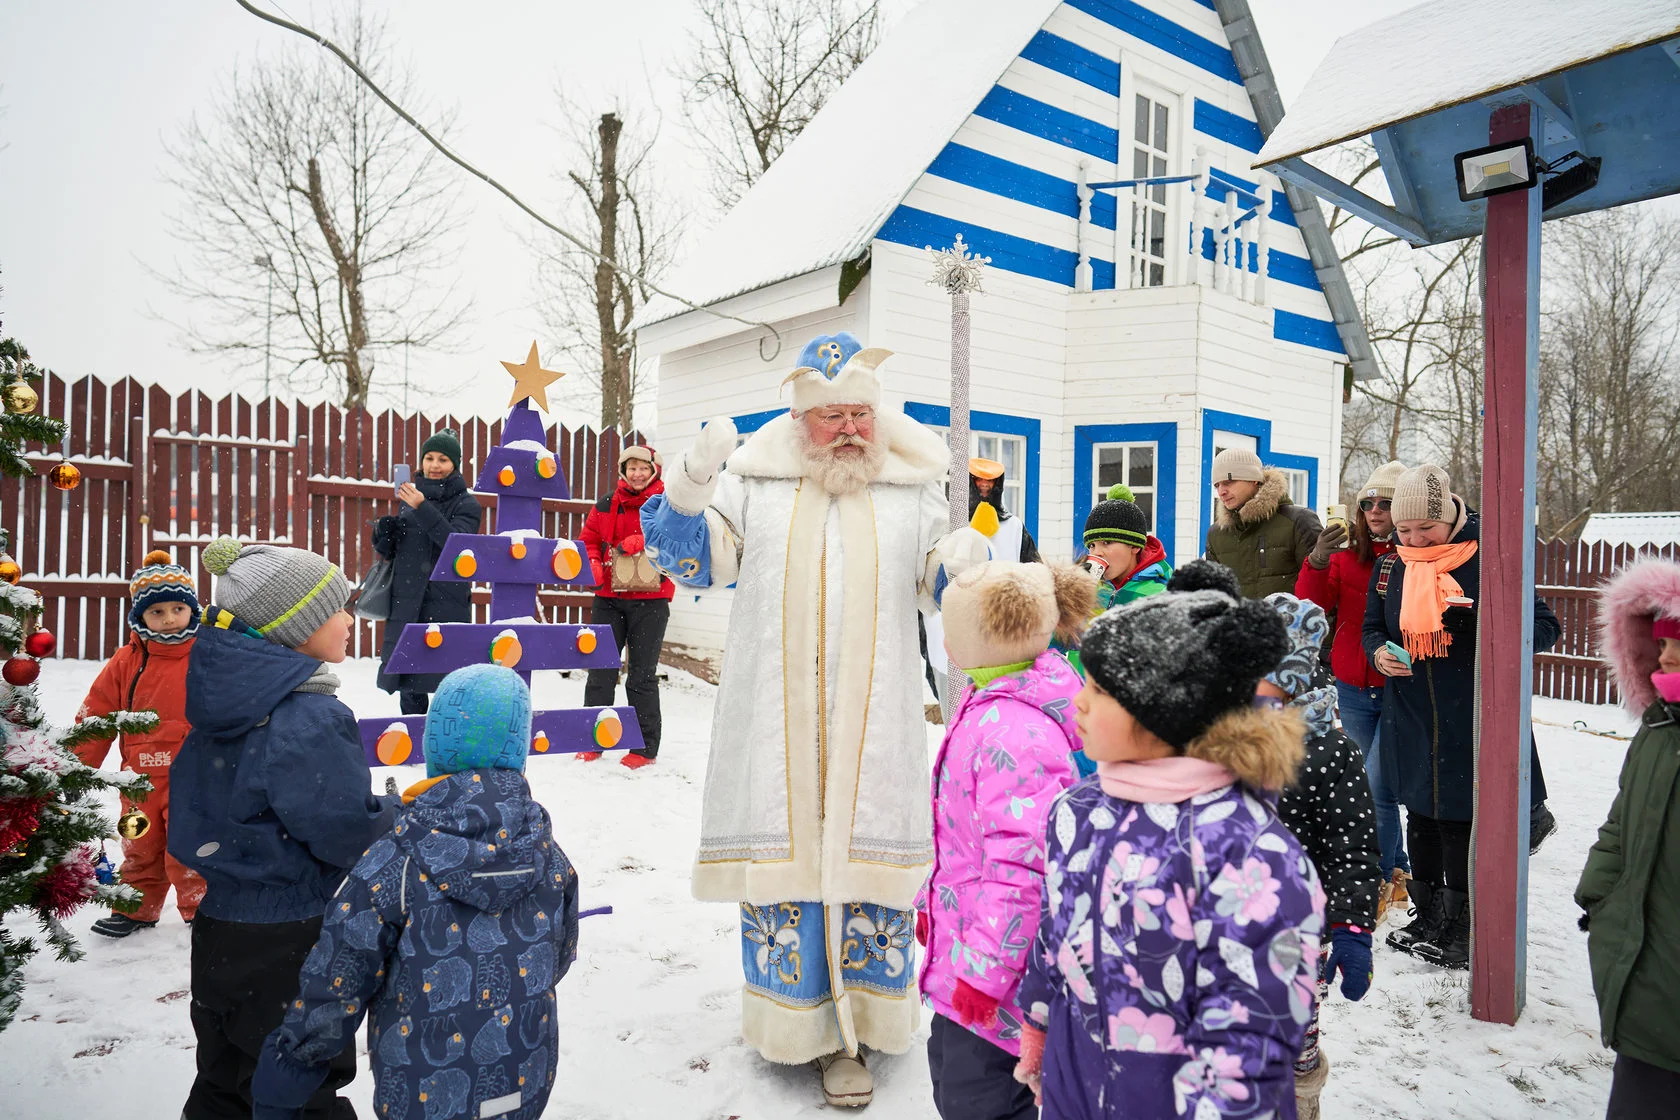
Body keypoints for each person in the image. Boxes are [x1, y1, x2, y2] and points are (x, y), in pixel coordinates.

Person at [640, 331, 988, 1107]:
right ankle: (797, 1027)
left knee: (867, 861)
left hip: (877, 723)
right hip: (776, 723)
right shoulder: (755, 483)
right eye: (829, 416)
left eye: (858, 413)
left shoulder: (912, 486)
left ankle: (860, 1033)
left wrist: (962, 558)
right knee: (790, 855)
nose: (848, 429)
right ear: (801, 422)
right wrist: (692, 486)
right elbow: (693, 565)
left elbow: (938, 582)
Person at [1012, 560, 1324, 1119]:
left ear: (1164, 712)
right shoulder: (1078, 811)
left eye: (1100, 689)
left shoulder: (1245, 853)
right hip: (1074, 1087)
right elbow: (1054, 934)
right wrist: (1038, 1024)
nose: (1079, 701)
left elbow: (1251, 1034)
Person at [251, 664, 580, 1120]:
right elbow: (558, 956)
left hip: (420, 1091)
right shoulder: (547, 854)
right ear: (517, 749)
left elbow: (338, 978)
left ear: (436, 746)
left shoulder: (394, 862)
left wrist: (287, 1073)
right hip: (523, 1076)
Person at [168, 536, 398, 1120]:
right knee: (297, 1086)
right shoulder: (308, 717)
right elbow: (344, 832)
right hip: (290, 938)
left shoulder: (224, 707)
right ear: (292, 628)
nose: (349, 618)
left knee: (224, 1079)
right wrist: (393, 817)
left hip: (220, 928)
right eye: (336, 607)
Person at [1362, 465, 1559, 970]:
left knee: (1458, 821)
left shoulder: (1490, 558)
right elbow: (1370, 627)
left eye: (1424, 529)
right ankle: (1428, 915)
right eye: (1404, 531)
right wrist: (1378, 652)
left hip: (1467, 714)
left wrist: (1488, 632)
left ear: (1449, 514)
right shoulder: (1394, 566)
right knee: (1421, 816)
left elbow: (1545, 626)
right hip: (1410, 712)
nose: (1413, 539)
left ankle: (1464, 925)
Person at [918, 561, 1090, 1120]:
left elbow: (1024, 871)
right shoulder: (992, 701)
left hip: (999, 990)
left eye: (952, 628)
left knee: (980, 1102)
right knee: (950, 1078)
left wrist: (987, 977)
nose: (943, 639)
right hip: (968, 956)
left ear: (984, 639)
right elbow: (964, 839)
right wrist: (932, 905)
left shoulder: (1016, 735)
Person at [1260, 592, 1381, 1120]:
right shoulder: (1219, 737)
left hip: (1298, 933)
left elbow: (1352, 846)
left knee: (1293, 1051)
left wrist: (1352, 927)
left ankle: (1300, 1104)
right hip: (1223, 929)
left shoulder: (1330, 750)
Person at [1577, 558, 1680, 1119]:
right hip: (1647, 974)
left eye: (1679, 645)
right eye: (1660, 642)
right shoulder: (1659, 728)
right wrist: (1601, 892)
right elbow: (1622, 817)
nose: (1664, 656)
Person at [1295, 460, 1413, 920]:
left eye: (1386, 503)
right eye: (1368, 503)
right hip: (1352, 685)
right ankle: (1398, 872)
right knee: (1375, 784)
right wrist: (1318, 561)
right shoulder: (1347, 556)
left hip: (1400, 686)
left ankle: (1377, 881)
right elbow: (1312, 606)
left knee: (1376, 786)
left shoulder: (1413, 556)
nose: (1376, 510)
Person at [72, 549, 207, 937]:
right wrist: (76, 765)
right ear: (139, 616)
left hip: (195, 773)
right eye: (156, 612)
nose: (168, 619)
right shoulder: (127, 660)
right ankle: (135, 908)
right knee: (139, 843)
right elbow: (97, 713)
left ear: (191, 610)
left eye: (176, 609)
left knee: (190, 845)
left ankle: (201, 910)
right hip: (140, 778)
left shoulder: (206, 653)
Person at [373, 428, 484, 715]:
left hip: (446, 602)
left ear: (455, 465)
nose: (435, 465)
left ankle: (444, 740)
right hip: (407, 600)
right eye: (429, 458)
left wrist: (421, 507)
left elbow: (455, 547)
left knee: (448, 680)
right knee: (409, 682)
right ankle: (411, 748)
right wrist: (385, 535)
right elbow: (399, 553)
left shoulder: (467, 504)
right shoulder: (410, 499)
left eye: (443, 459)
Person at [578, 444, 674, 769]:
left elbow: (680, 540)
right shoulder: (606, 504)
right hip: (609, 597)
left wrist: (647, 542)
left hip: (652, 600)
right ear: (623, 471)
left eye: (642, 468)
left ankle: (644, 749)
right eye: (630, 468)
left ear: (654, 470)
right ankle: (593, 740)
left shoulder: (668, 505)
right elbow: (589, 537)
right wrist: (591, 560)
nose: (636, 474)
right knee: (601, 671)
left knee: (641, 675)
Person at [923, 457, 1042, 705]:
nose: (984, 487)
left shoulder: (1014, 528)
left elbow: (1034, 574)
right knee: (955, 717)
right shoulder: (943, 524)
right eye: (978, 481)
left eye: (990, 482)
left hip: (999, 643)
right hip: (948, 640)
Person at [1204, 446, 1322, 599]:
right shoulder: (1216, 534)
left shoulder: (1298, 521)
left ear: (1254, 479)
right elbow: (1215, 596)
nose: (1221, 492)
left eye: (1228, 482)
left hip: (1288, 622)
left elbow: (1322, 587)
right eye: (1217, 485)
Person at [1079, 483, 1172, 611]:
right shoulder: (1092, 591)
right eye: (1092, 545)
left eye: (1107, 542)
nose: (1096, 553)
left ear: (1134, 546)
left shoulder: (1161, 596)